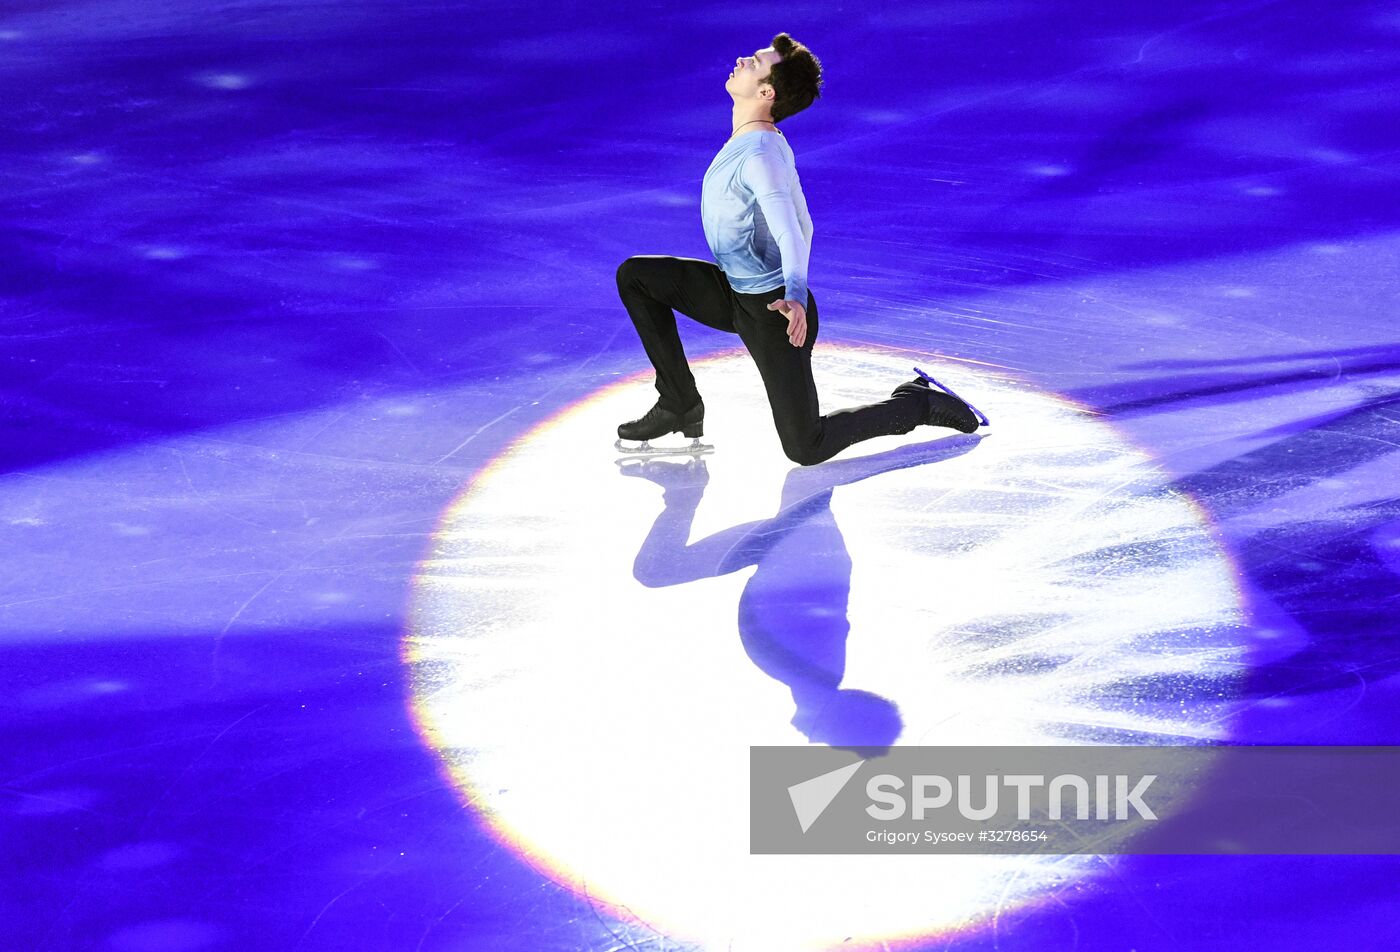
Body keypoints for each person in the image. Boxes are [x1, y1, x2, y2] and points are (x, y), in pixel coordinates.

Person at [615, 32, 985, 466]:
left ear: (766, 92)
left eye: (754, 62)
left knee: (806, 446)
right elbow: (806, 222)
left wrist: (793, 295)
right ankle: (679, 402)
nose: (741, 60)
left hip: (774, 313)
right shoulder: (757, 141)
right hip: (733, 291)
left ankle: (915, 403)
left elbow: (792, 229)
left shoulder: (760, 155)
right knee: (636, 276)